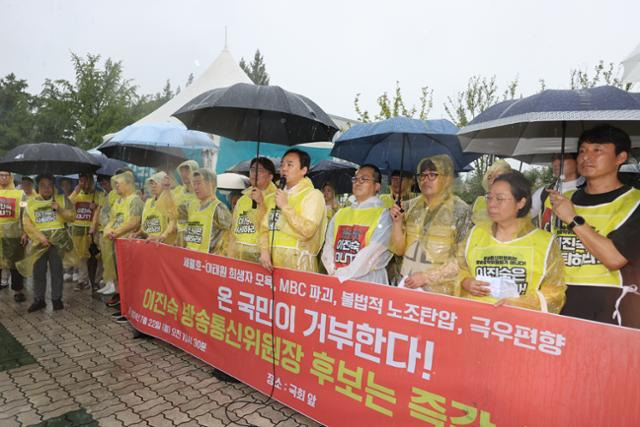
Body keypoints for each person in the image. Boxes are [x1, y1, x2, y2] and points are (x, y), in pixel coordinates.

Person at [548, 125, 640, 325]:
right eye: (582, 150)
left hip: (611, 309)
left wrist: (573, 219)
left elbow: (614, 258)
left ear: (620, 158)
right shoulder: (563, 201)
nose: (586, 157)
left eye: (597, 150)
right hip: (558, 303)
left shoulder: (634, 203)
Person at [458, 171, 566, 313]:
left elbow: (555, 293)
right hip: (476, 320)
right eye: (489, 198)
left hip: (519, 325)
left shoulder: (544, 243)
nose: (491, 205)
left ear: (521, 202)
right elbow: (457, 269)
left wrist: (524, 303)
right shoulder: (475, 235)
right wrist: (465, 282)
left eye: (500, 199)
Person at [391, 154, 472, 295]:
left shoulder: (461, 211)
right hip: (405, 284)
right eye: (422, 175)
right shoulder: (410, 206)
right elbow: (398, 251)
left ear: (446, 178)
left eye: (432, 175)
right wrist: (397, 223)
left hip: (441, 292)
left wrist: (426, 277)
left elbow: (463, 261)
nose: (425, 180)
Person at [321, 164, 392, 284]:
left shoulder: (383, 215)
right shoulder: (341, 213)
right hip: (336, 277)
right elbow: (329, 244)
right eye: (355, 179)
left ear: (377, 186)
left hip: (368, 280)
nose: (358, 182)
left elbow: (372, 253)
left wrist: (343, 274)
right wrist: (333, 270)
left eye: (364, 179)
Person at [259, 149, 327, 273]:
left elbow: (308, 230)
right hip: (271, 265)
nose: (284, 169)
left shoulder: (313, 195)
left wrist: (285, 206)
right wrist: (264, 252)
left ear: (304, 170)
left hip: (299, 265)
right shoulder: (278, 194)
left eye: (290, 165)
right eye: (282, 164)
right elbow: (264, 227)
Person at [18, 175, 75, 312]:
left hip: (58, 242)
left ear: (53, 186)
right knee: (38, 271)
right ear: (38, 187)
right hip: (39, 242)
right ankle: (39, 299)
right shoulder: (30, 202)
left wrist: (60, 210)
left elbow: (72, 216)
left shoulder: (61, 199)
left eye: (49, 185)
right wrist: (41, 238)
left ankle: (56, 299)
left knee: (56, 270)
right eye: (43, 185)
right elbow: (27, 223)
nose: (47, 188)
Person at [97, 171, 143, 302]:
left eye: (119, 184)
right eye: (115, 184)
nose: (116, 186)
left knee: (127, 273)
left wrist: (116, 232)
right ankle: (120, 297)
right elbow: (112, 218)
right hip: (115, 241)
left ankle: (129, 301)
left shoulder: (135, 200)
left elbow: (134, 222)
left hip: (128, 242)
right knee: (117, 271)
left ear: (128, 184)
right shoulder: (118, 201)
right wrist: (109, 230)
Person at [228, 157, 276, 263]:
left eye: (260, 170)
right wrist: (230, 255)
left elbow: (271, 228)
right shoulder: (242, 199)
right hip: (239, 256)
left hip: (261, 258)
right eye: (253, 169)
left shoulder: (276, 198)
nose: (255, 173)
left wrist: (261, 203)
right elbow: (233, 229)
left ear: (270, 176)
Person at [531, 153, 583, 231]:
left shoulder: (591, 190)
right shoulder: (545, 191)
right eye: (553, 158)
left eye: (562, 157)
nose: (555, 162)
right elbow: (525, 215)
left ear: (578, 160)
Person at [183, 169, 231, 254]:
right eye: (194, 184)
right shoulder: (193, 206)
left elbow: (231, 234)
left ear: (211, 184)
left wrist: (221, 253)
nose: (196, 187)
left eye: (199, 183)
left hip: (209, 260)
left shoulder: (218, 208)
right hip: (190, 257)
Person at [68, 173, 100, 290]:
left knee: (96, 256)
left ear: (91, 181)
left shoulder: (96, 194)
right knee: (81, 256)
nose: (84, 184)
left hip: (92, 230)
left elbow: (100, 210)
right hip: (78, 228)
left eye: (87, 181)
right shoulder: (77, 194)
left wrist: (96, 206)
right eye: (81, 181)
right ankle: (82, 280)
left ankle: (95, 281)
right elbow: (67, 205)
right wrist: (75, 192)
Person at [0, 171, 27, 302]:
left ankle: (18, 290)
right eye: (1, 175)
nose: (3, 177)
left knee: (15, 265)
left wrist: (24, 232)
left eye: (6, 175)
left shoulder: (20, 194)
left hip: (14, 235)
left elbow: (25, 214)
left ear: (11, 177)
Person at [137, 171, 177, 244]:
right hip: (149, 242)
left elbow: (172, 222)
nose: (153, 186)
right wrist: (138, 233)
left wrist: (163, 236)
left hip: (163, 244)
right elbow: (145, 225)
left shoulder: (169, 200)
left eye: (156, 183)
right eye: (152, 183)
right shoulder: (148, 202)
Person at [471, 159, 512, 225]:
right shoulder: (479, 202)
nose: (491, 181)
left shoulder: (513, 205)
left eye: (497, 177)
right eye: (490, 177)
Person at [173, 160, 199, 247]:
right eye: (182, 171)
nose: (184, 174)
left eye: (187, 171)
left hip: (195, 238)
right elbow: (174, 218)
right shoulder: (178, 192)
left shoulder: (201, 193)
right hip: (179, 237)